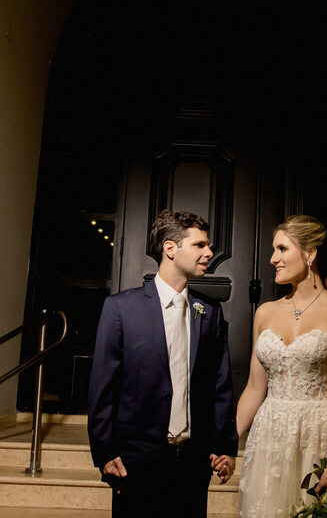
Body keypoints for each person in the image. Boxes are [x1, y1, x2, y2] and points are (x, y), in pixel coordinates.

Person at [88, 209, 238, 517]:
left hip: (193, 464)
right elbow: (103, 387)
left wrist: (224, 446)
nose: (209, 253)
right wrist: (104, 451)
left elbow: (220, 386)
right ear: (170, 248)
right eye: (200, 245)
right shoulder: (120, 309)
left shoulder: (209, 313)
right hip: (135, 462)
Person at [236, 215, 327, 518]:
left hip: (321, 436)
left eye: (282, 249)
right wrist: (226, 441)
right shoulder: (265, 313)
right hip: (270, 436)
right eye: (274, 250)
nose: (273, 258)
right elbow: (253, 387)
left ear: (309, 254)